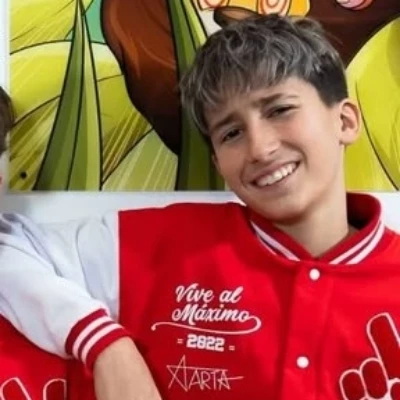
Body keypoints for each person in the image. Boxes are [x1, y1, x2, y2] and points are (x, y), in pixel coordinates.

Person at [1, 13, 400, 400]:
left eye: (280, 110)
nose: (260, 148)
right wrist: (106, 344)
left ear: (345, 121)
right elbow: (9, 247)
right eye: (232, 133)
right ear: (217, 162)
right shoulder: (160, 242)